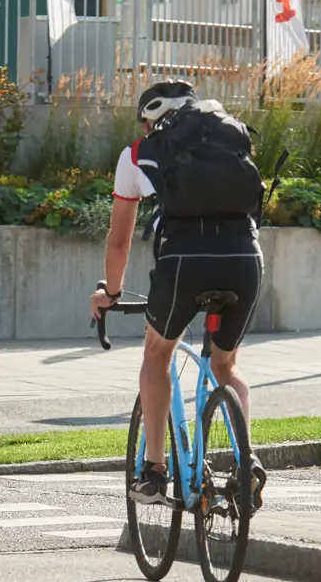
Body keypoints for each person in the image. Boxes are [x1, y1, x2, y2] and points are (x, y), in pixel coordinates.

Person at [89, 79, 267, 508]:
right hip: (245, 257)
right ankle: (246, 462)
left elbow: (119, 242)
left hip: (184, 260)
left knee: (157, 355)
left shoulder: (137, 154)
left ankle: (154, 470)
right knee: (225, 365)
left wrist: (111, 292)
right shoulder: (231, 136)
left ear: (148, 120)